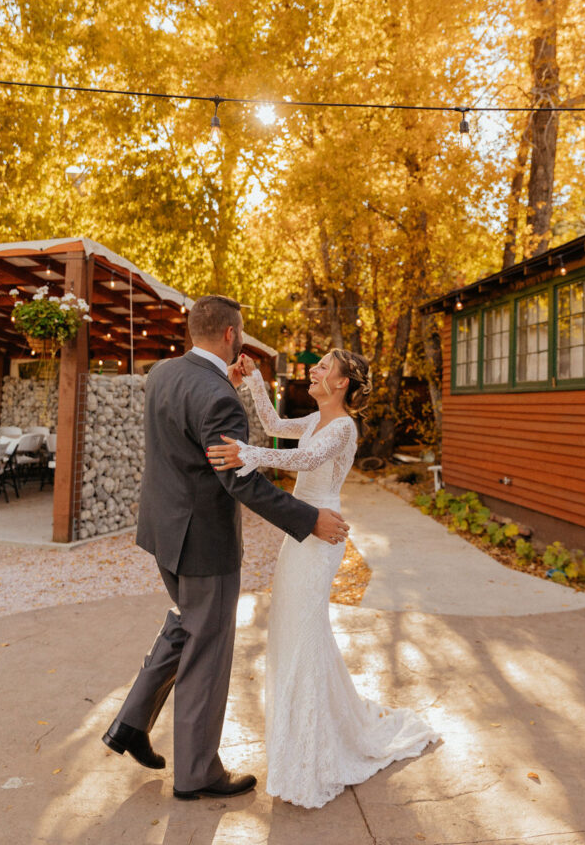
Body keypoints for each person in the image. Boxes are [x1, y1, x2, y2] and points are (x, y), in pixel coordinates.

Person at [102, 295, 349, 801]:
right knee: (208, 651)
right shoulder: (217, 397)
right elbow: (242, 481)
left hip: (164, 532)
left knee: (185, 626)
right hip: (204, 543)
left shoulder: (164, 373)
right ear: (232, 335)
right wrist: (309, 520)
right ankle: (197, 773)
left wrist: (235, 385)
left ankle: (130, 723)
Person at [207, 348, 438, 808]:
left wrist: (244, 454)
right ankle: (304, 736)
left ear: (342, 383)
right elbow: (274, 425)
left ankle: (312, 755)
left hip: (320, 540)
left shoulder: (342, 427)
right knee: (292, 633)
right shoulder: (313, 419)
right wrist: (254, 380)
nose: (314, 371)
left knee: (305, 636)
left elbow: (306, 460)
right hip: (300, 537)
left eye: (324, 367)